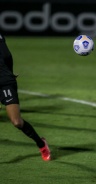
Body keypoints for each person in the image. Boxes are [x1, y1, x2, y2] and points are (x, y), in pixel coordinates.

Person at [0, 33, 51, 161]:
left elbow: (7, 56)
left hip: (5, 81)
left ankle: (41, 144)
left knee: (16, 122)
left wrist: (9, 73)